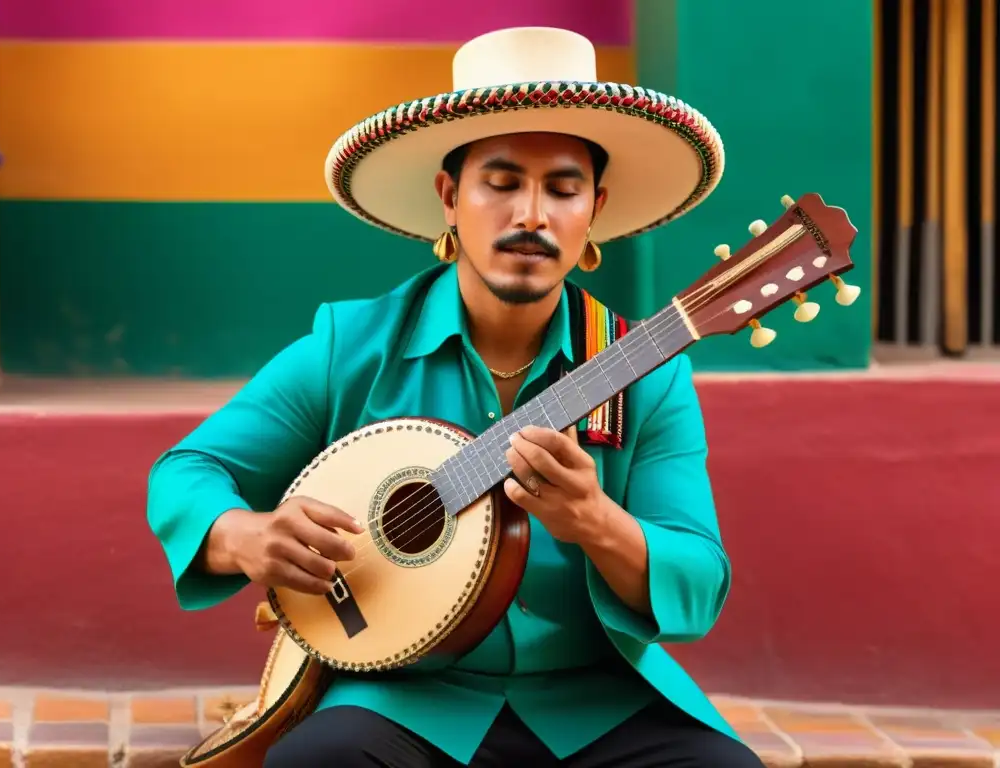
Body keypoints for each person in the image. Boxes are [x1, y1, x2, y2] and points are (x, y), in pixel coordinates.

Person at [147, 26, 763, 768]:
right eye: (501, 183)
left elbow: (698, 581)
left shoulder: (643, 370)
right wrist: (243, 535)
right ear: (449, 195)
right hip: (403, 703)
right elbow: (186, 473)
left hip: (595, 705)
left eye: (562, 189)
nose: (531, 215)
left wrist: (595, 520)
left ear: (593, 209)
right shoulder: (354, 347)